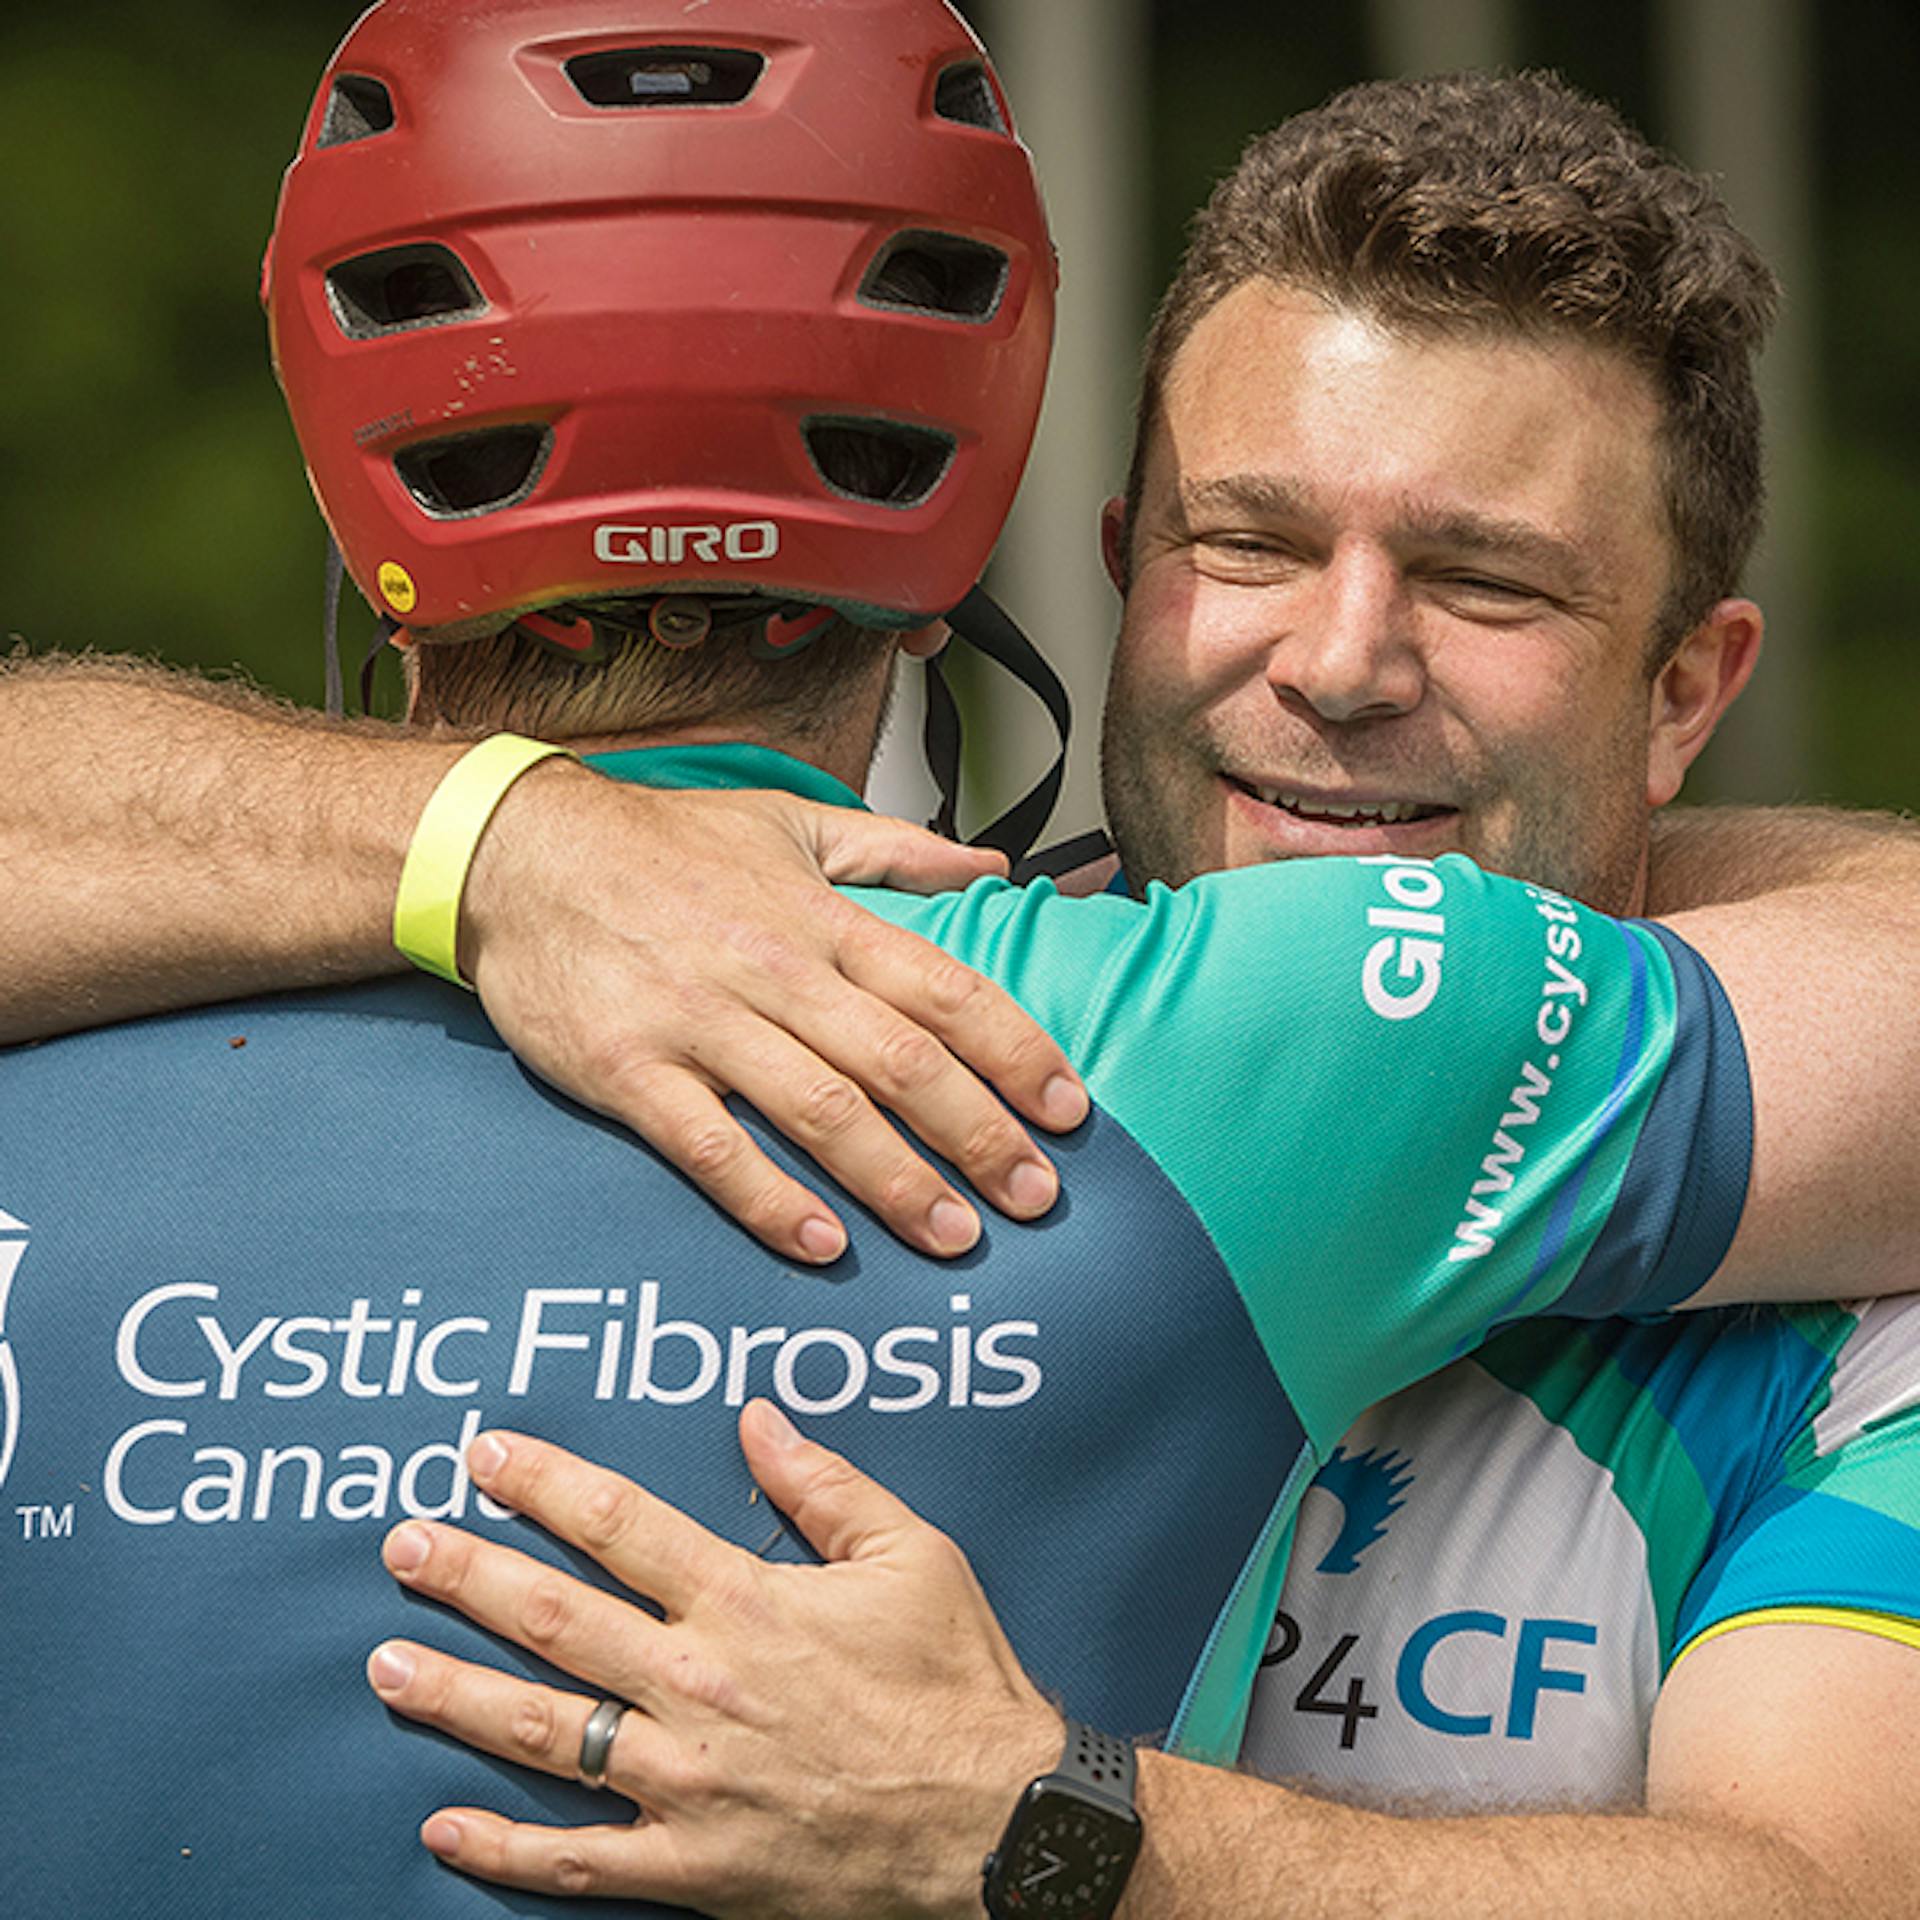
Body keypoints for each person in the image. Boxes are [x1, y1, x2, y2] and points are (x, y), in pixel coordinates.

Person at [9, 11, 1879, 1920]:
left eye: (1486, 584)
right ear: (985, 535)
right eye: (1247, 542)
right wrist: (506, 844)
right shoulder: (1261, 1045)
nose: (1340, 665)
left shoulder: (55, 1018)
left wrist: (467, 834)